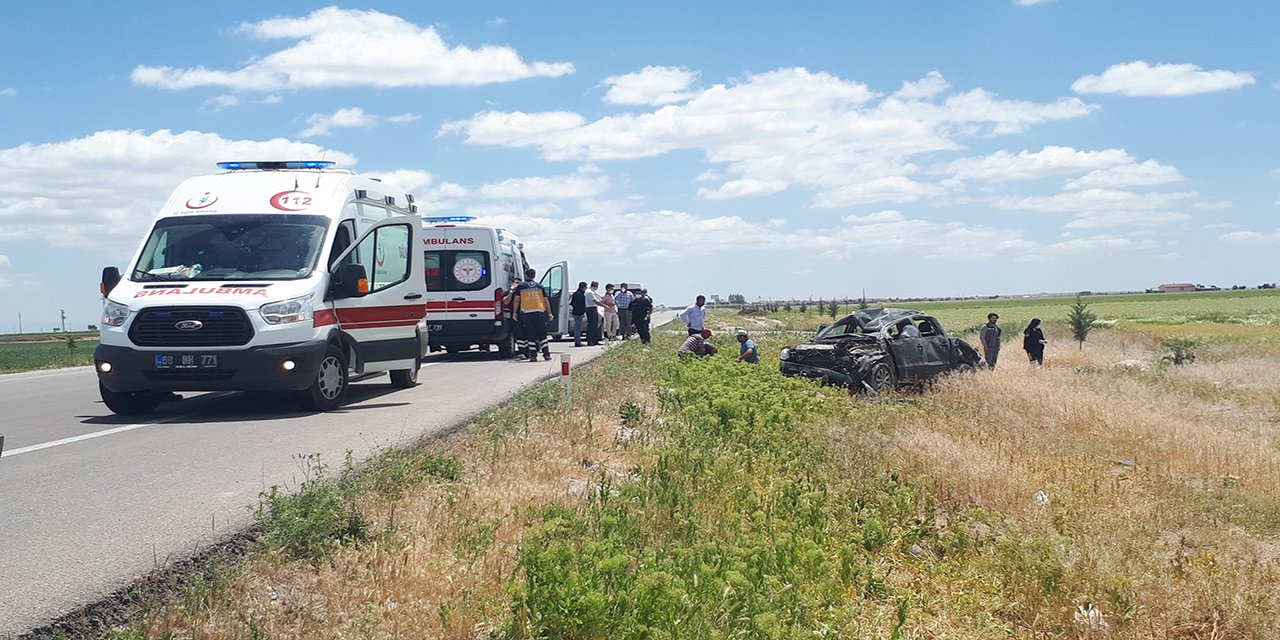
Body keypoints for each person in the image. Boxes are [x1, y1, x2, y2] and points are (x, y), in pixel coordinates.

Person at [512, 268, 553, 362]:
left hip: (527, 314)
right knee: (542, 335)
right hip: (540, 313)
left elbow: (517, 300)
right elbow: (546, 301)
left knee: (530, 335)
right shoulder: (540, 286)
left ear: (526, 275)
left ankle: (533, 356)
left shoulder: (521, 286)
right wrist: (549, 313)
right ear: (534, 276)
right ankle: (546, 354)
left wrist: (514, 312)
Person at [569, 281, 588, 347]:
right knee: (578, 328)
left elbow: (572, 303)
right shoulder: (581, 295)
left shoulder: (575, 294)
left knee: (577, 328)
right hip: (579, 313)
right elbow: (582, 305)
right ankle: (577, 342)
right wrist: (583, 312)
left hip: (575, 312)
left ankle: (578, 341)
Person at [585, 281, 602, 346]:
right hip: (590, 309)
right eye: (597, 285)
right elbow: (596, 301)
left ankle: (595, 340)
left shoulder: (593, 292)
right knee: (591, 326)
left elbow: (599, 300)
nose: (597, 287)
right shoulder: (589, 292)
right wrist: (605, 306)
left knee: (595, 325)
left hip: (594, 308)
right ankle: (590, 341)